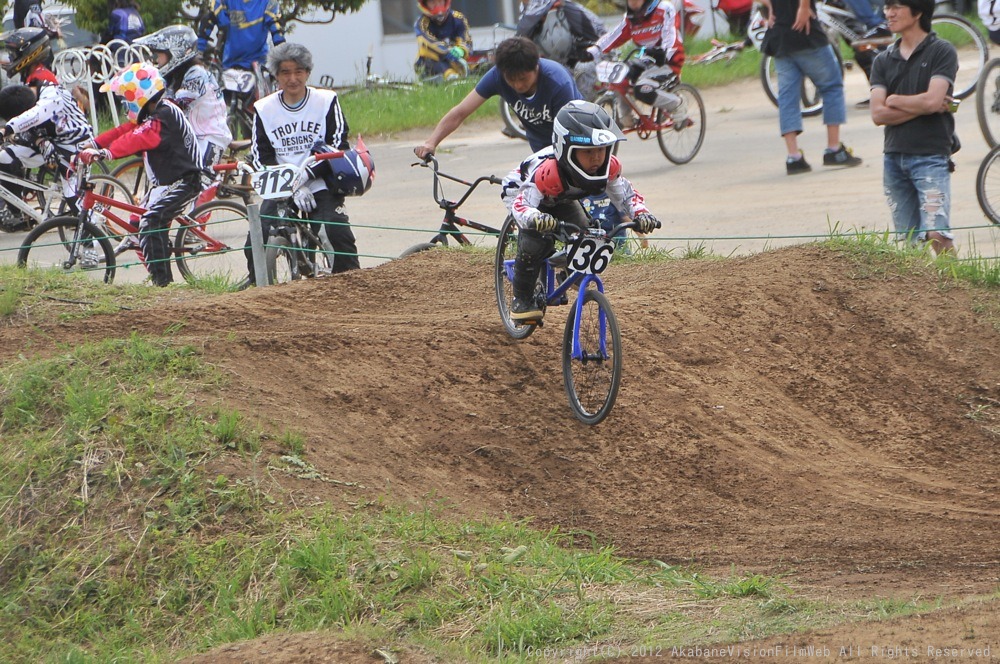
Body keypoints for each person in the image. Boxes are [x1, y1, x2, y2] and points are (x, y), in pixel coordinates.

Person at [503, 100, 660, 321]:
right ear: (566, 150)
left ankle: (568, 269)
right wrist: (535, 218)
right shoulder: (547, 172)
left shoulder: (609, 167)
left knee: (586, 233)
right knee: (535, 242)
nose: (597, 158)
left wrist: (641, 214)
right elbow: (521, 205)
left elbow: (625, 196)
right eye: (588, 151)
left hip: (562, 197)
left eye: (601, 150)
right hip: (522, 194)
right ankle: (521, 299)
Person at [79, 62, 204, 287]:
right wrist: (94, 143)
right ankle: (155, 269)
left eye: (126, 100)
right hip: (165, 184)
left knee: (151, 221)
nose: (125, 106)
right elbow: (124, 131)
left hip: (183, 181)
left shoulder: (162, 117)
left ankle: (162, 282)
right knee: (136, 225)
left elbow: (137, 138)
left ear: (139, 97)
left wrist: (105, 153)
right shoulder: (153, 115)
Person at [247, 42, 365, 280]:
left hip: (321, 180)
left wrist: (307, 176)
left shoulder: (326, 101)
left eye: (298, 71)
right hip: (282, 184)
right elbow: (261, 156)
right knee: (257, 236)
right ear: (276, 76)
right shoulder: (264, 109)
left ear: (308, 73)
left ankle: (354, 282)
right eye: (285, 72)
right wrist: (291, 184)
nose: (292, 78)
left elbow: (337, 145)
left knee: (335, 229)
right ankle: (258, 285)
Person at [870, 0, 959, 255]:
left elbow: (933, 101)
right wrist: (924, 105)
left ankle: (958, 290)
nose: (889, 13)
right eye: (887, 6)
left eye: (897, 6)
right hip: (894, 156)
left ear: (918, 11)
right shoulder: (883, 60)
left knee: (937, 234)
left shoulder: (942, 51)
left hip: (930, 155)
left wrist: (896, 101)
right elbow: (877, 114)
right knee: (908, 245)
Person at [414, 37, 581, 159]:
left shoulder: (558, 82)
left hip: (577, 148)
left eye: (523, 79)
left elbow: (571, 131)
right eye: (511, 79)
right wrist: (431, 142)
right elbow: (460, 112)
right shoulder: (497, 76)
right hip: (541, 154)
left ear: (536, 66)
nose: (517, 86)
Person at [758, 0, 863, 174]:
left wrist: (770, 7)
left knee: (787, 96)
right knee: (831, 86)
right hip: (805, 31)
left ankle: (793, 157)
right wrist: (804, 7)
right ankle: (834, 149)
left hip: (779, 35)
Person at [135, 25, 232, 176]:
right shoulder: (175, 77)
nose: (156, 61)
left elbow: (172, 108)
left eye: (159, 55)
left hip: (209, 137)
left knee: (197, 186)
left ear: (175, 53)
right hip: (191, 137)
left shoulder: (196, 74)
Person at [0, 80, 94, 232]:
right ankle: (18, 211)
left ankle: (91, 235)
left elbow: (35, 115)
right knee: (5, 158)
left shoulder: (52, 93)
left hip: (74, 144)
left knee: (72, 194)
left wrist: (6, 130)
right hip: (45, 142)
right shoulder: (23, 94)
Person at [583, 0, 688, 127]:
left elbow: (670, 34)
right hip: (645, 60)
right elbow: (613, 36)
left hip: (668, 62)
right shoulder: (630, 18)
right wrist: (593, 51)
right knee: (618, 79)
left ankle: (677, 103)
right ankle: (626, 118)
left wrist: (665, 52)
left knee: (643, 90)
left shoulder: (665, 9)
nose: (633, 2)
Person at [517, 0, 607, 102]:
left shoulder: (568, 11)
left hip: (597, 50)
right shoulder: (528, 9)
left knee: (583, 70)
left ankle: (584, 107)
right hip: (570, 57)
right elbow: (525, 30)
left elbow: (596, 39)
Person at [197, 0, 285, 71]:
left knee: (265, 92)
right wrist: (199, 54)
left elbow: (277, 30)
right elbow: (208, 22)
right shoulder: (223, 2)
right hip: (229, 66)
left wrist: (283, 56)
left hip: (258, 65)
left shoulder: (268, 3)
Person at [414, 0, 472, 82]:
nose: (438, 6)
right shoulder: (421, 23)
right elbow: (430, 43)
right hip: (430, 64)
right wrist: (447, 50)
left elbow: (466, 40)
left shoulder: (458, 18)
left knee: (480, 64)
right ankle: (450, 75)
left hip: (457, 61)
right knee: (428, 56)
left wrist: (461, 50)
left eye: (440, 2)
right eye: (433, 2)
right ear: (425, 4)